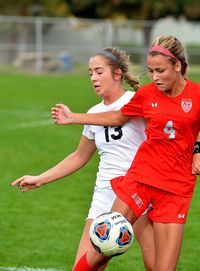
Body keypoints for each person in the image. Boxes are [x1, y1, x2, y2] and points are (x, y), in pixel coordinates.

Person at [50, 35, 200, 271]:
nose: (155, 77)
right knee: (101, 250)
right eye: (151, 71)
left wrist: (198, 150)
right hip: (140, 180)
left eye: (160, 70)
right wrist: (74, 118)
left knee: (161, 268)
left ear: (177, 66)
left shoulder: (197, 95)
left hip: (176, 189)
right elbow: (117, 117)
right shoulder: (147, 95)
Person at [11, 48, 155, 271]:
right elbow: (79, 156)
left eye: (99, 72)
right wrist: (41, 178)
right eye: (90, 73)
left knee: (156, 265)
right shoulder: (94, 112)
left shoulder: (137, 101)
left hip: (138, 192)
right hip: (104, 193)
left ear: (117, 74)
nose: (93, 78)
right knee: (84, 267)